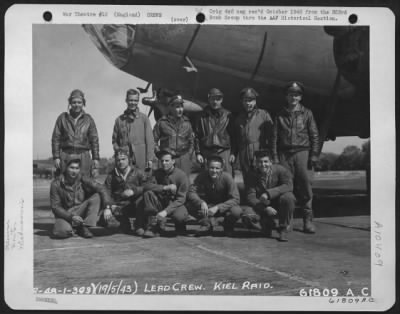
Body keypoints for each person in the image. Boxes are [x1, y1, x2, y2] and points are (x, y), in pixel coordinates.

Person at [272, 81, 319, 234]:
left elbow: (314, 135)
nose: (293, 97)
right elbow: (274, 138)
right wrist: (275, 158)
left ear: (300, 97)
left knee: (305, 187)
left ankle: (307, 221)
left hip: (302, 152)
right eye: (291, 94)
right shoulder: (279, 115)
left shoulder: (307, 113)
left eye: (296, 95)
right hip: (284, 154)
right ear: (286, 96)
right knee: (286, 187)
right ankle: (286, 221)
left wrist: (313, 155)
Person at [50, 155, 112, 239]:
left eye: (76, 168)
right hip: (66, 215)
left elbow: (102, 188)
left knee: (96, 196)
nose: (74, 171)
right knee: (61, 232)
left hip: (80, 210)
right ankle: (78, 228)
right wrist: (71, 217)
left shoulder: (83, 179)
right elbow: (55, 207)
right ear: (66, 168)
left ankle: (86, 225)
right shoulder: (56, 184)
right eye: (71, 168)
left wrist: (107, 207)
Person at [242, 150, 295, 242]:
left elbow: (289, 185)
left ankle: (283, 228)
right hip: (262, 204)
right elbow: (251, 197)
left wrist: (268, 193)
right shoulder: (251, 175)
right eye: (260, 162)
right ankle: (266, 224)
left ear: (271, 162)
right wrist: (265, 208)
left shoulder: (281, 170)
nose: (263, 164)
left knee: (289, 197)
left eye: (266, 161)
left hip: (279, 203)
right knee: (247, 214)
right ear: (256, 163)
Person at [187, 155, 242, 237]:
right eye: (211, 168)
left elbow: (236, 199)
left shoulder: (227, 178)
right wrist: (201, 202)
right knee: (189, 205)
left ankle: (227, 226)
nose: (214, 171)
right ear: (207, 168)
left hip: (224, 208)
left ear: (222, 169)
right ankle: (206, 224)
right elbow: (191, 192)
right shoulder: (202, 176)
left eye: (217, 168)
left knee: (236, 211)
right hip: (208, 207)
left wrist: (218, 207)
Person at [51, 89, 100, 177]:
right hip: (66, 155)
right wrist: (56, 157)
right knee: (65, 183)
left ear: (83, 103)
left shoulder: (88, 119)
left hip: (83, 156)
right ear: (70, 103)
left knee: (84, 183)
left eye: (79, 102)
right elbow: (56, 138)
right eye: (74, 102)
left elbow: (94, 140)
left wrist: (95, 158)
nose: (76, 105)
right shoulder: (62, 118)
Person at [142, 149, 189, 237]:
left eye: (167, 161)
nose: (164, 163)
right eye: (162, 161)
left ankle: (180, 226)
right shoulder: (158, 173)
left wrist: (165, 212)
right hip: (162, 202)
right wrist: (165, 187)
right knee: (148, 193)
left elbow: (181, 199)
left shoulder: (181, 175)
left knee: (180, 216)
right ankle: (153, 226)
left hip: (175, 204)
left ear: (173, 161)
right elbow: (146, 186)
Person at [103, 148, 148, 236]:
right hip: (120, 206)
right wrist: (108, 207)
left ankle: (139, 225)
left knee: (143, 198)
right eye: (118, 160)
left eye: (123, 159)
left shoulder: (138, 173)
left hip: (136, 205)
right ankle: (124, 224)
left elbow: (147, 187)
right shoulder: (111, 176)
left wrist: (134, 191)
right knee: (111, 225)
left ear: (129, 159)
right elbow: (106, 192)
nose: (121, 162)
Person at [232, 87, 273, 181]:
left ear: (255, 101)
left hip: (259, 150)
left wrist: (270, 153)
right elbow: (236, 139)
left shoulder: (263, 114)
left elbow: (271, 136)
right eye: (245, 100)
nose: (248, 103)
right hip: (244, 152)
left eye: (250, 100)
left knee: (263, 178)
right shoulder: (238, 118)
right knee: (247, 178)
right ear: (242, 102)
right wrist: (234, 153)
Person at [193, 88, 235, 174]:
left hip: (224, 151)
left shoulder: (228, 115)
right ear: (209, 99)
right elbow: (197, 136)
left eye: (218, 99)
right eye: (212, 99)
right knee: (207, 178)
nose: (215, 102)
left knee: (226, 176)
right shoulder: (201, 116)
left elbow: (234, 136)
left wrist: (233, 153)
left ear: (222, 100)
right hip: (207, 151)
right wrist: (198, 153)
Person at [112, 89, 155, 170]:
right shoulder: (119, 120)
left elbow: (150, 141)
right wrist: (120, 155)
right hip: (125, 160)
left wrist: (149, 159)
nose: (133, 103)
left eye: (135, 100)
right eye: (131, 100)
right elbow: (114, 141)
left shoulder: (144, 119)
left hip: (141, 159)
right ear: (126, 100)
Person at [153, 95, 194, 176]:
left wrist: (188, 155)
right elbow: (153, 140)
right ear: (170, 107)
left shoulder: (187, 123)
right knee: (167, 183)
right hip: (167, 159)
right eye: (177, 107)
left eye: (181, 106)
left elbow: (191, 141)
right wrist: (160, 154)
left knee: (184, 184)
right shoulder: (162, 122)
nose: (180, 110)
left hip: (183, 159)